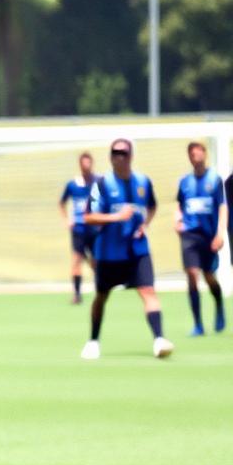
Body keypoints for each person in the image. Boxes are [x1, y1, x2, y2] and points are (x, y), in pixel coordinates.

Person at [80, 138, 173, 360]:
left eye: (123, 153)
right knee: (101, 297)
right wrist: (116, 217)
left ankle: (159, 339)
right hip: (109, 253)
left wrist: (145, 224)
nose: (119, 157)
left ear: (131, 156)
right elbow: (88, 216)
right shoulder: (101, 185)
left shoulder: (143, 182)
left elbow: (152, 206)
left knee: (148, 291)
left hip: (137, 251)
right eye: (115, 153)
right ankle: (93, 341)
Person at [175, 142, 227, 336]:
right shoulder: (184, 182)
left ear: (204, 155)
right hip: (189, 235)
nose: (194, 157)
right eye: (191, 155)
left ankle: (219, 306)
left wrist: (220, 233)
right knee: (191, 273)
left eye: (197, 154)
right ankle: (197, 323)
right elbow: (180, 205)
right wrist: (177, 220)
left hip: (209, 235)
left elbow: (222, 207)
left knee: (208, 276)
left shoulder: (214, 180)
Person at [59, 152, 97, 304]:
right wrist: (67, 220)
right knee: (76, 260)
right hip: (79, 229)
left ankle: (100, 289)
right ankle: (77, 293)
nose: (86, 167)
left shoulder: (98, 182)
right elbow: (62, 203)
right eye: (83, 164)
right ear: (80, 165)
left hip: (94, 228)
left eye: (88, 163)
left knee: (96, 260)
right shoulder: (73, 184)